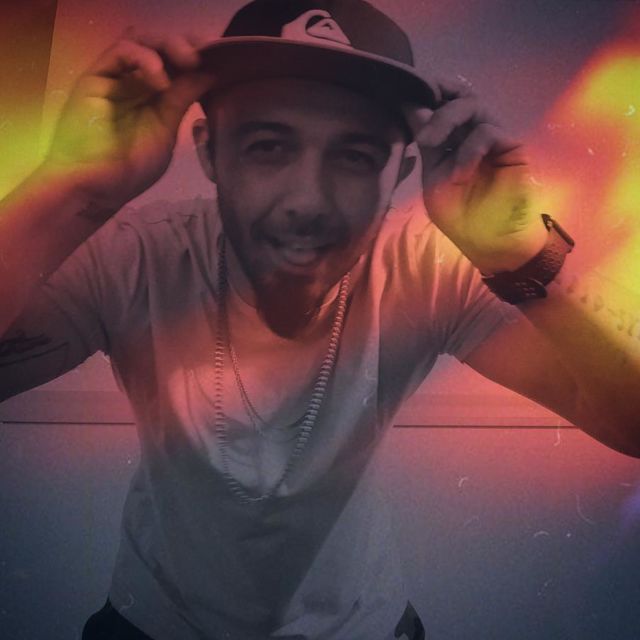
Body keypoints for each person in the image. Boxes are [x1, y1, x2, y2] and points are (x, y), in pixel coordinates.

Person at [1, 0, 639, 638]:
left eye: (355, 156)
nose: (307, 201)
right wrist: (69, 190)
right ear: (211, 151)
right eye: (268, 147)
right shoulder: (138, 254)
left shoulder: (425, 265)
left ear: (400, 174)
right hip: (154, 622)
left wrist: (524, 254)